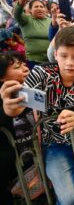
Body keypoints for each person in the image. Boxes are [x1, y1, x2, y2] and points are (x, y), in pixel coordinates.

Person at [1, 27, 74, 204]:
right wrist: (10, 108)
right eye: (64, 56)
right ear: (55, 54)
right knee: (69, 197)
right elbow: (20, 104)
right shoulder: (41, 72)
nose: (69, 62)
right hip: (56, 145)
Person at [0, 51, 30, 204]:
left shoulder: (33, 91)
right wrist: (5, 112)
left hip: (34, 162)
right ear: (2, 77)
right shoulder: (4, 98)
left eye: (24, 64)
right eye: (18, 67)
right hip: (9, 170)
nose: (25, 68)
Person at [13, 0, 51, 68]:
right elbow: (17, 14)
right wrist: (21, 2)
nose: (39, 9)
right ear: (30, 10)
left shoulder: (51, 21)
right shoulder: (26, 20)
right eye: (36, 7)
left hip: (51, 60)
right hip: (33, 61)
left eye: (41, 7)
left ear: (45, 9)